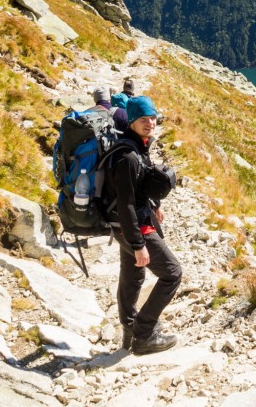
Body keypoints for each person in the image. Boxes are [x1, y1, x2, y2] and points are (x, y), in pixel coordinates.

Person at [109, 95, 181, 355]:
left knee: (133, 275)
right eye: (143, 119)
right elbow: (126, 203)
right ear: (131, 121)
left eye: (153, 118)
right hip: (133, 226)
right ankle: (143, 333)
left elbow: (138, 190)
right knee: (172, 273)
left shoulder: (137, 146)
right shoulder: (127, 157)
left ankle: (129, 329)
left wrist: (155, 204)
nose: (150, 123)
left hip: (126, 224)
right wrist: (138, 244)